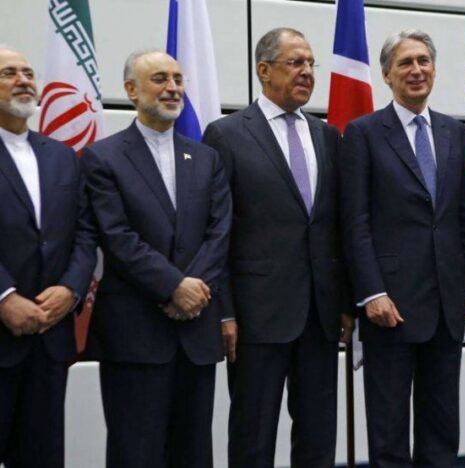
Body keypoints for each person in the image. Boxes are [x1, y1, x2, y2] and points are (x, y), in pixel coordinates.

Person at [339, 29, 465, 467]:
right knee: (388, 435)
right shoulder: (364, 133)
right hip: (390, 306)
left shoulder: (453, 133)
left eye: (424, 61)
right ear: (387, 75)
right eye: (405, 62)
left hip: (446, 304)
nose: (417, 70)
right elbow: (355, 222)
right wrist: (371, 292)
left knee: (441, 432)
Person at [202, 28, 353, 468]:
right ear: (264, 70)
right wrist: (224, 311)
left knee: (318, 437)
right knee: (253, 436)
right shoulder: (227, 134)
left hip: (320, 316)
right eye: (295, 62)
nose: (307, 72)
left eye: (310, 63)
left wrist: (345, 302)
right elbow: (217, 231)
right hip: (256, 317)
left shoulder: (328, 136)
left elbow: (337, 228)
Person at [81, 50, 231, 467]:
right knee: (136, 453)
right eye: (160, 79)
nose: (173, 88)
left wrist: (193, 290)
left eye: (178, 79)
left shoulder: (206, 157)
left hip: (196, 333)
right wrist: (173, 286)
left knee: (194, 453)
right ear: (131, 90)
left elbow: (220, 232)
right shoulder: (103, 157)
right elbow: (116, 236)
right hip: (135, 333)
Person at [0, 47, 97, 467]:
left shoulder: (60, 155)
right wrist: (4, 296)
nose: (24, 80)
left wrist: (71, 289)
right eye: (9, 73)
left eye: (28, 73)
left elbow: (85, 232)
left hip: (50, 336)